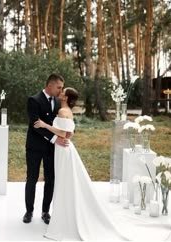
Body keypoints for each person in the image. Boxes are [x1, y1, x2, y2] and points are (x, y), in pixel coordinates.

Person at [33, 87, 129, 241]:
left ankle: (65, 217)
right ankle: (65, 213)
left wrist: (45, 125)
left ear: (66, 98)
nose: (60, 93)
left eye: (63, 92)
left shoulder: (63, 112)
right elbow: (68, 131)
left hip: (63, 150)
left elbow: (63, 133)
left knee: (64, 183)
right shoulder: (66, 111)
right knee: (65, 182)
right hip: (63, 148)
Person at [23, 73, 68, 225]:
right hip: (34, 147)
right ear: (50, 85)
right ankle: (29, 211)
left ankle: (45, 212)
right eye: (59, 87)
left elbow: (58, 123)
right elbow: (35, 125)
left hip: (51, 149)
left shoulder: (57, 101)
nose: (61, 91)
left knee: (50, 180)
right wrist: (56, 138)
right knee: (32, 179)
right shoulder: (33, 100)